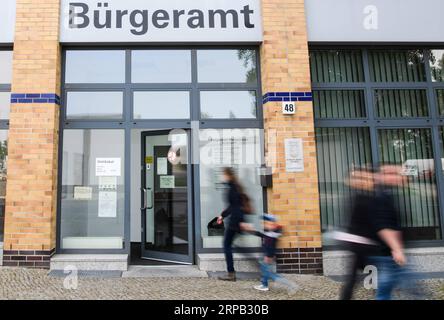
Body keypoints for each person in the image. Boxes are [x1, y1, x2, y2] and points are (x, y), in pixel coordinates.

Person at [337, 167, 380, 300]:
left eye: (365, 178)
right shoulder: (360, 198)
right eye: (360, 178)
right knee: (358, 280)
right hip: (363, 248)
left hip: (364, 247)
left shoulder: (364, 197)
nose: (362, 181)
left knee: (356, 280)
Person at [369, 164, 408, 300]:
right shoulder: (381, 196)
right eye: (389, 173)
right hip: (387, 253)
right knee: (385, 291)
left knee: (388, 289)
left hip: (391, 252)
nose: (394, 177)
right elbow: (383, 226)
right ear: (380, 177)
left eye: (396, 174)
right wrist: (397, 249)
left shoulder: (389, 194)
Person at [247, 213, 298, 294]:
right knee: (265, 271)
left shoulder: (272, 234)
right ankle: (264, 285)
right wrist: (251, 231)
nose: (263, 224)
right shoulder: (271, 232)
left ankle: (290, 285)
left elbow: (270, 247)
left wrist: (268, 256)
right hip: (268, 255)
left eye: (266, 222)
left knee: (270, 274)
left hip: (268, 256)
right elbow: (262, 235)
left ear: (272, 224)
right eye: (264, 222)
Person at [217, 167, 248, 281]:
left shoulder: (233, 187)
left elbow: (235, 206)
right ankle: (231, 272)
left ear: (227, 175)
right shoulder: (233, 186)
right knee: (229, 245)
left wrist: (240, 221)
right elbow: (233, 206)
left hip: (235, 221)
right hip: (236, 220)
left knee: (227, 245)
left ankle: (231, 273)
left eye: (223, 174)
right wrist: (223, 215)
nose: (221, 176)